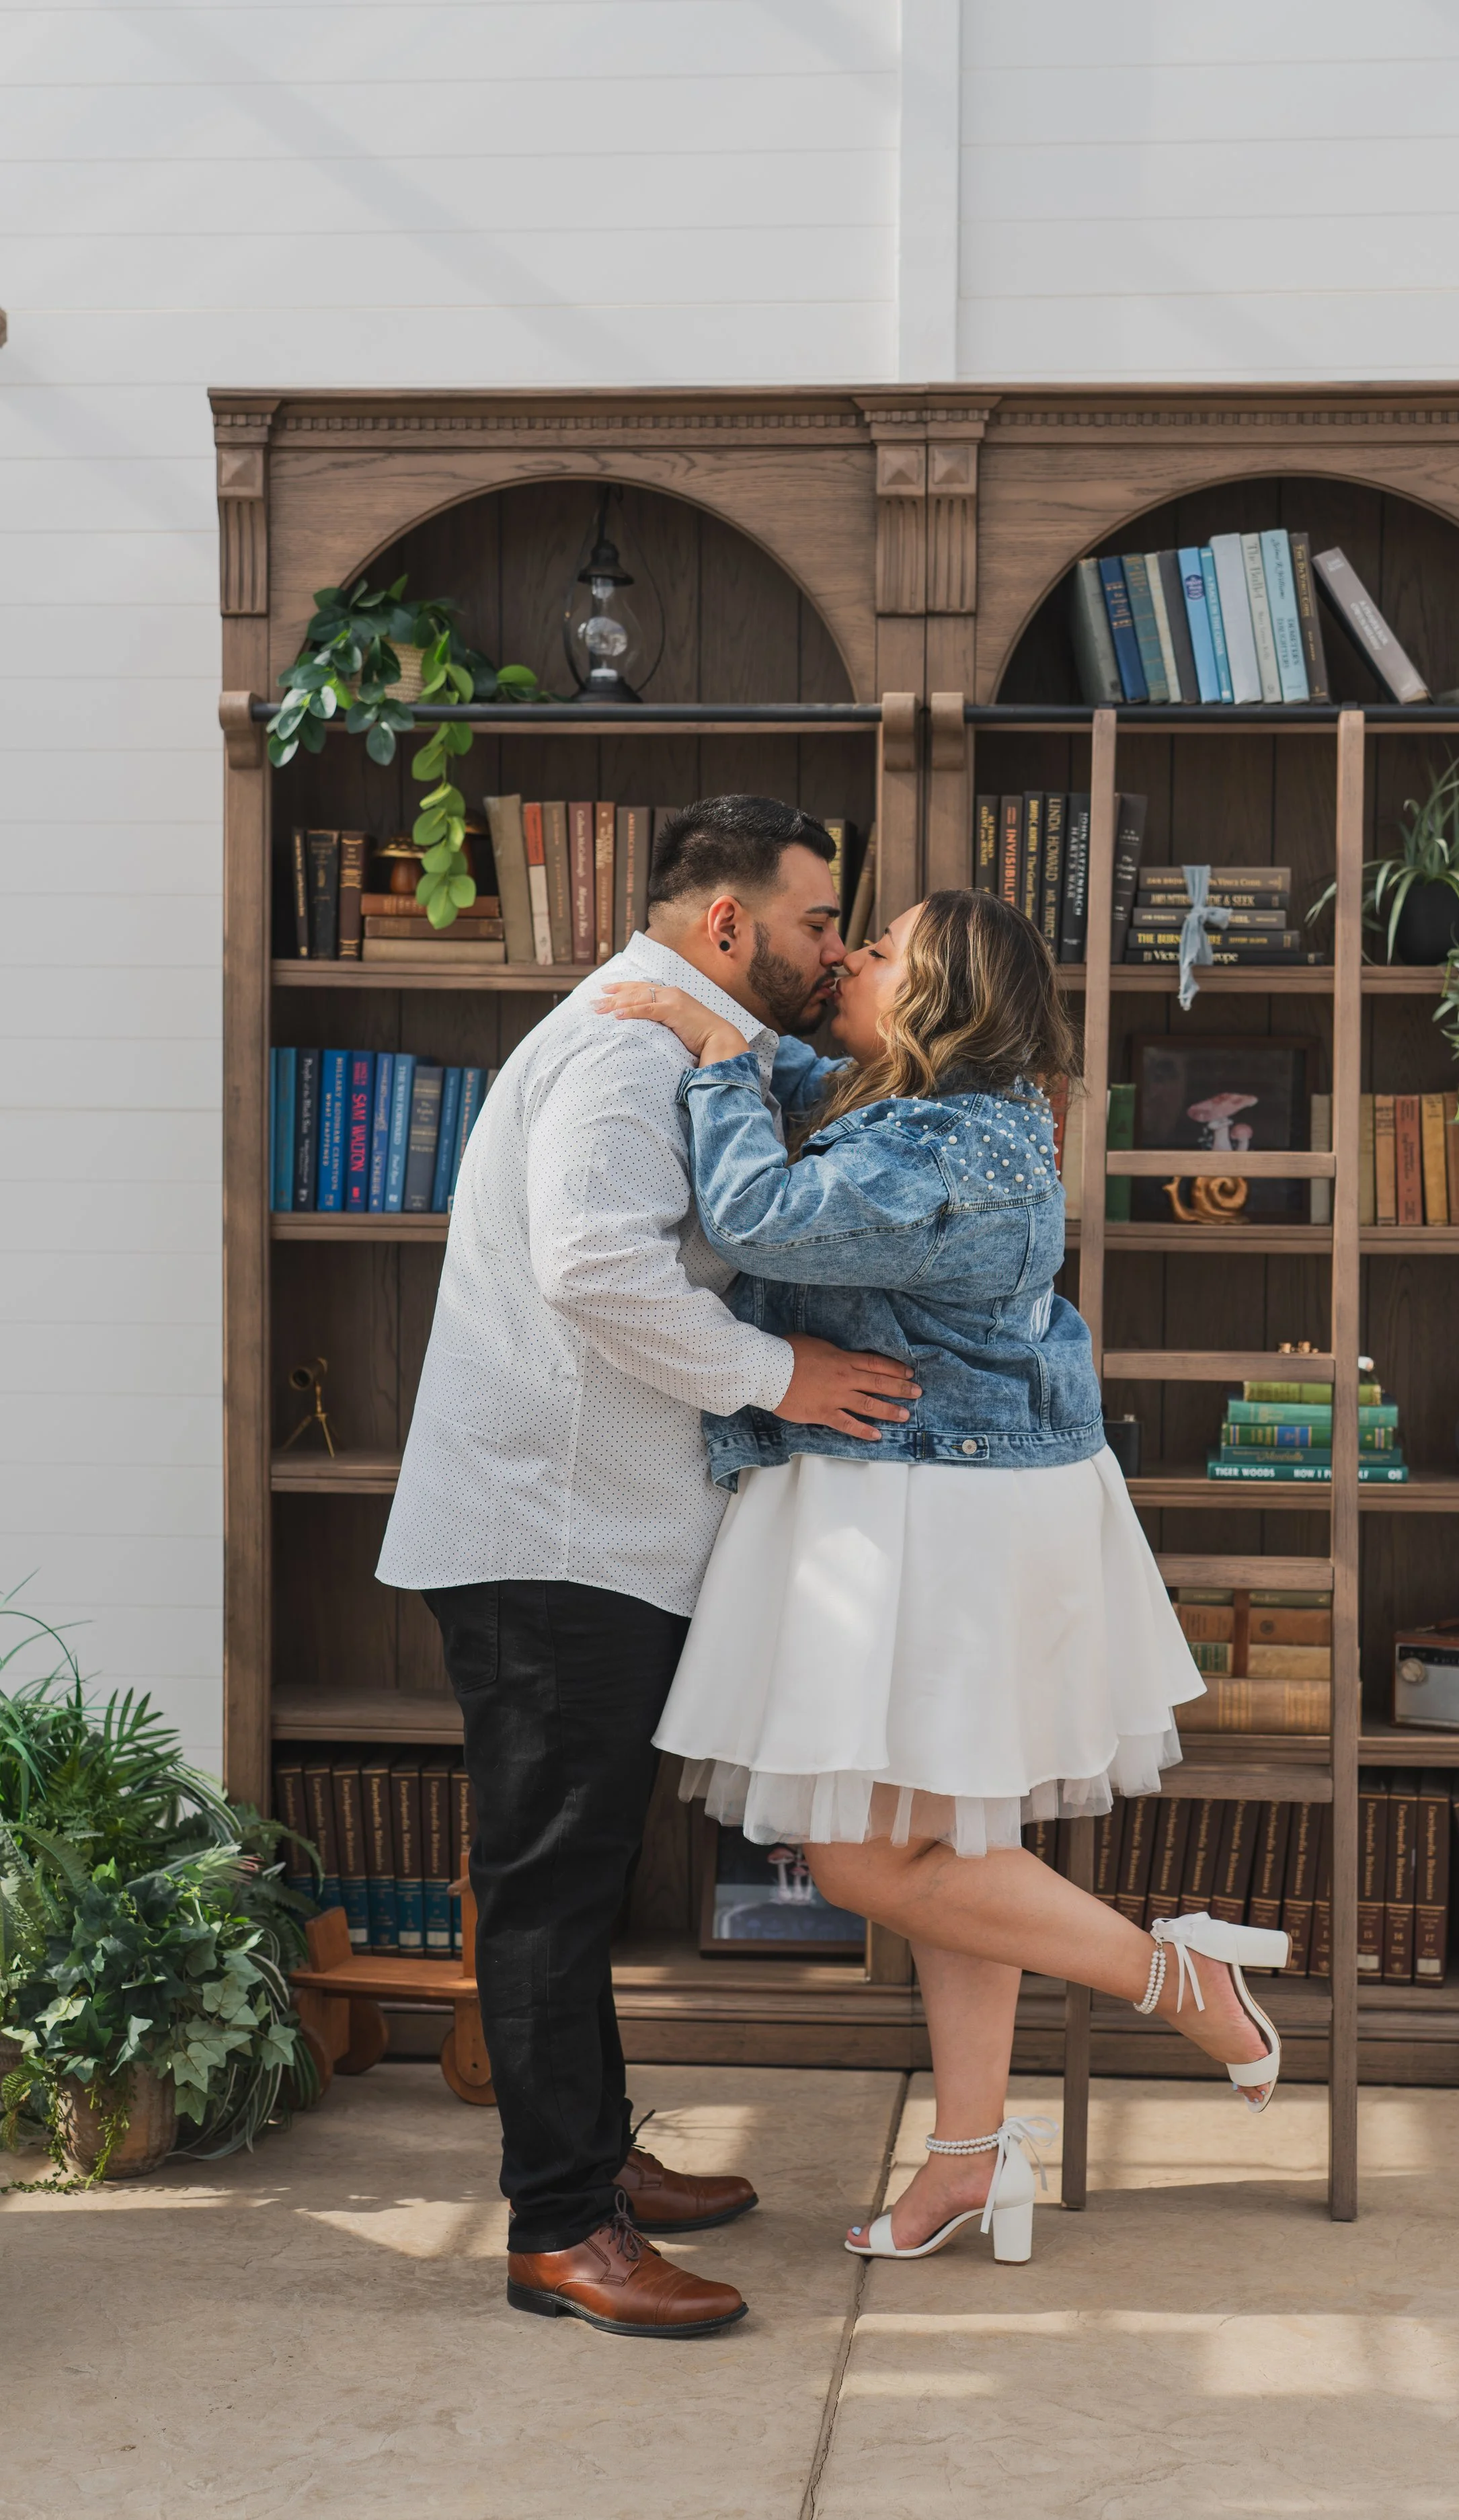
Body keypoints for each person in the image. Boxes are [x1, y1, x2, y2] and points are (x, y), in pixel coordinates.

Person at [602, 888, 1288, 2267]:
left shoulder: (959, 1139)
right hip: (921, 1494)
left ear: (941, 1000)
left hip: (945, 1509)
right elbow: (808, 1088)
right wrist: (729, 1033)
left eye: (880, 950)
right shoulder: (923, 1103)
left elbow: (758, 1216)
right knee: (941, 1847)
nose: (848, 958)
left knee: (863, 1856)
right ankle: (967, 2155)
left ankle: (1172, 1973)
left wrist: (715, 1051)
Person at [377, 797, 920, 2338]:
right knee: (552, 1882)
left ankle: (591, 2166)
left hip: (584, 1530)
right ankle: (560, 2229)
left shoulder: (675, 1030)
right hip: (547, 1537)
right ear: (729, 921)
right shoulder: (623, 1048)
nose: (834, 950)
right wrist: (779, 1374)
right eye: (822, 922)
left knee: (581, 1868)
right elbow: (593, 1263)